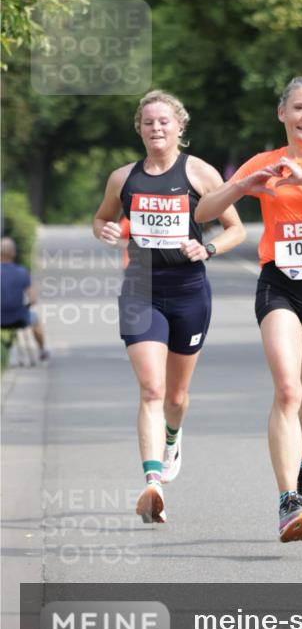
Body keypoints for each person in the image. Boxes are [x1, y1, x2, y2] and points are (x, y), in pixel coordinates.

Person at [195, 75, 302, 542]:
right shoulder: (265, 162)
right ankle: (288, 501)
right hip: (280, 284)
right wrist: (243, 185)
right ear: (282, 114)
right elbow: (203, 211)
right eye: (298, 108)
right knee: (288, 392)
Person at [93, 90, 245, 524]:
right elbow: (102, 217)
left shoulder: (199, 173)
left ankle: (173, 437)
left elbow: (236, 229)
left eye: (164, 121)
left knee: (176, 396)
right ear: (138, 128)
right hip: (141, 288)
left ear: (180, 126)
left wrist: (208, 248)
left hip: (188, 291)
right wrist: (103, 230)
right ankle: (152, 484)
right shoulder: (123, 178)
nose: (156, 128)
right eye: (148, 122)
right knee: (152, 390)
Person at [0, 236, 49, 360]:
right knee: (36, 320)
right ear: (13, 253)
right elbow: (33, 299)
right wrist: (25, 307)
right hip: (19, 317)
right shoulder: (22, 272)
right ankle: (42, 350)